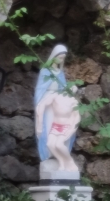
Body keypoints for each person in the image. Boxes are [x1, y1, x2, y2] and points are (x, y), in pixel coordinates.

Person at [33, 45, 81, 175]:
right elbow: (40, 89)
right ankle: (49, 154)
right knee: (47, 128)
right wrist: (42, 102)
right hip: (48, 101)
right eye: (60, 57)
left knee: (58, 132)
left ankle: (62, 158)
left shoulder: (60, 73)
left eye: (63, 58)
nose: (61, 60)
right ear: (54, 56)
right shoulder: (45, 71)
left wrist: (68, 91)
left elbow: (64, 89)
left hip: (59, 102)